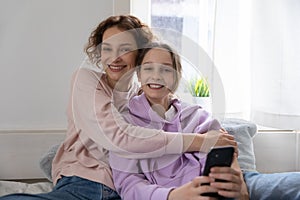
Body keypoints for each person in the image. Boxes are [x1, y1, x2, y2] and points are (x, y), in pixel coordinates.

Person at [0, 15, 236, 200]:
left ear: (139, 55)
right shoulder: (86, 80)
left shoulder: (142, 97)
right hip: (84, 184)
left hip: (124, 192)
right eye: (107, 48)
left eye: (125, 49)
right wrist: (199, 140)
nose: (115, 57)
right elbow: (118, 136)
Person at [110, 42, 247, 200]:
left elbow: (226, 150)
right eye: (148, 68)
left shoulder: (196, 115)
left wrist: (241, 187)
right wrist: (173, 195)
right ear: (139, 75)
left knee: (279, 185)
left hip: (213, 193)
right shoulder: (124, 123)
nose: (156, 76)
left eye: (166, 69)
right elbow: (129, 186)